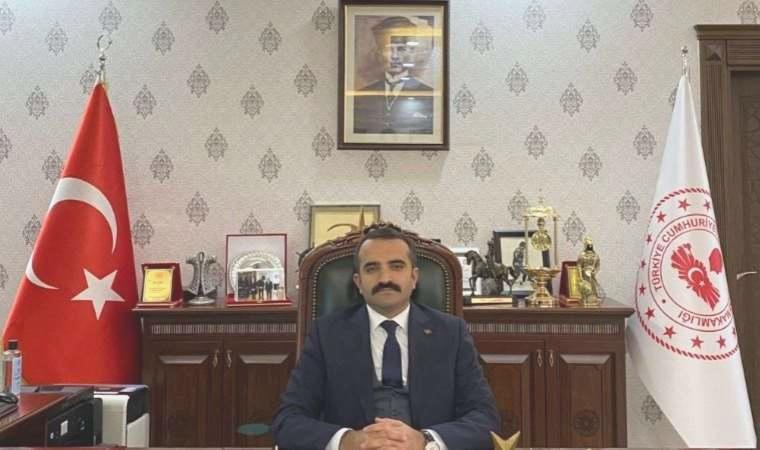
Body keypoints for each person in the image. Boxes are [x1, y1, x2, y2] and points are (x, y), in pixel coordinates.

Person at [273, 224, 499, 450]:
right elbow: (288, 421)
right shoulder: (327, 334)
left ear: (414, 277)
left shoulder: (451, 332)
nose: (385, 278)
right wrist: (347, 441)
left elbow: (485, 419)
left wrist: (425, 441)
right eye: (372, 269)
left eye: (396, 266)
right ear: (358, 282)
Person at [352, 16, 434, 135]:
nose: (395, 56)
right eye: (389, 49)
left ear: (411, 51)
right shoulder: (361, 96)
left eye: (401, 49)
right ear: (379, 53)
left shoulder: (429, 96)